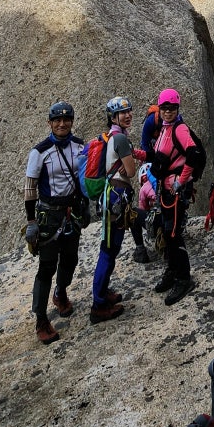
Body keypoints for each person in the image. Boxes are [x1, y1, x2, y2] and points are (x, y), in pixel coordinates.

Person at [24, 101, 88, 345]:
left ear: (72, 121)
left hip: (72, 212)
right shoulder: (39, 152)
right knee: (47, 266)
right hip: (49, 216)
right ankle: (41, 319)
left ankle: (61, 292)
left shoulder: (80, 146)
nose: (62, 124)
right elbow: (30, 188)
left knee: (71, 258)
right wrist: (31, 221)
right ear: (49, 123)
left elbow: (84, 177)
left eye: (66, 120)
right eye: (57, 120)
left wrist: (86, 206)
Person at [145, 88, 206, 306]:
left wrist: (182, 180)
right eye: (164, 108)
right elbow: (158, 156)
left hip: (176, 190)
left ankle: (184, 278)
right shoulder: (164, 128)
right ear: (159, 109)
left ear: (177, 109)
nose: (168, 112)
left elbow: (193, 153)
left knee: (173, 233)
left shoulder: (179, 129)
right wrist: (138, 154)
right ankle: (173, 269)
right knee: (166, 228)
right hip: (168, 189)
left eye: (172, 108)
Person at [90, 97, 145, 325]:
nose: (128, 115)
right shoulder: (120, 138)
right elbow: (131, 172)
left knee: (111, 248)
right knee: (108, 250)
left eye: (128, 111)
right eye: (122, 113)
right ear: (113, 118)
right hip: (116, 197)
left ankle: (103, 292)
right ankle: (98, 304)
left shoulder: (112, 137)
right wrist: (130, 162)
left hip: (112, 196)